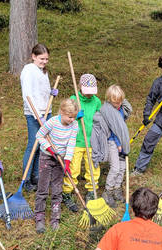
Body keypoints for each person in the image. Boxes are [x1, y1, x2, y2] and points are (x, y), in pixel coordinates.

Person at [34, 99, 80, 233]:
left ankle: (55, 217)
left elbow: (71, 143)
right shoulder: (53, 122)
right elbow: (39, 136)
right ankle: (40, 217)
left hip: (60, 159)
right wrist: (50, 149)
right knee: (43, 188)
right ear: (62, 112)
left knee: (57, 188)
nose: (72, 120)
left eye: (74, 117)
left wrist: (67, 161)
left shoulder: (74, 125)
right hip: (47, 157)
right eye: (69, 117)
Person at [62, 74, 102, 212]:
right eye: (87, 92)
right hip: (77, 141)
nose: (90, 95)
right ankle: (67, 191)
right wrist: (76, 116)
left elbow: (99, 119)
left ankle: (92, 190)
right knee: (74, 168)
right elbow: (65, 117)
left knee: (93, 166)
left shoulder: (96, 101)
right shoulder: (74, 100)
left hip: (92, 141)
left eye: (92, 92)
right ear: (80, 87)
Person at [90, 84, 132, 208]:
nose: (118, 105)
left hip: (122, 142)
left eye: (119, 102)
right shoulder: (107, 111)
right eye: (115, 103)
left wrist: (123, 142)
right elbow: (112, 130)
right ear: (109, 100)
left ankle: (117, 188)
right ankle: (107, 192)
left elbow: (121, 127)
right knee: (115, 168)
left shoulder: (121, 108)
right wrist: (119, 144)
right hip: (112, 142)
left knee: (122, 168)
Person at [20, 43, 55, 192]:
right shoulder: (28, 70)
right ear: (33, 56)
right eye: (41, 58)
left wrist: (51, 92)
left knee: (42, 146)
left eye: (46, 59)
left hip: (46, 112)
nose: (44, 62)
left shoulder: (43, 71)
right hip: (35, 113)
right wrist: (38, 116)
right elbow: (28, 94)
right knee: (33, 145)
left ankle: (36, 176)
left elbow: (41, 91)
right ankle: (26, 179)